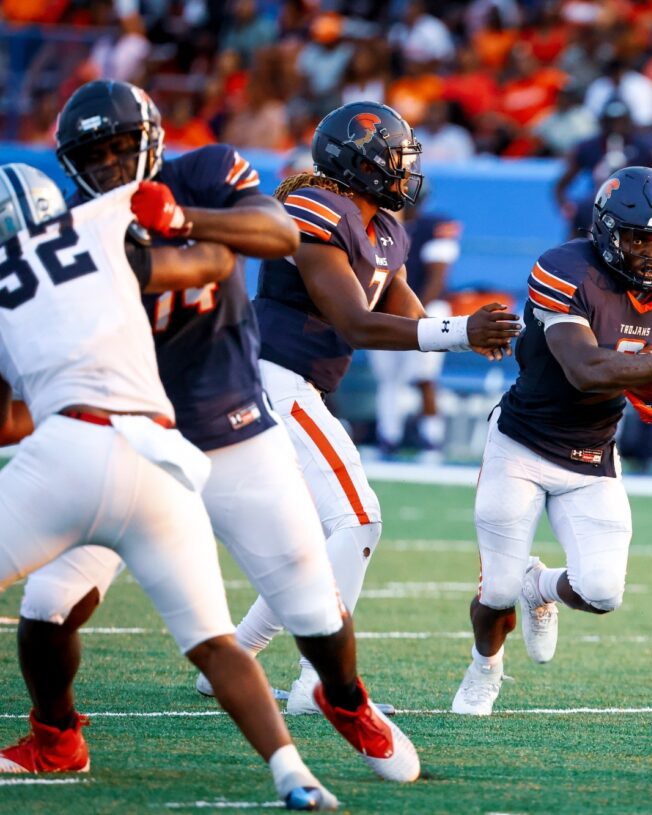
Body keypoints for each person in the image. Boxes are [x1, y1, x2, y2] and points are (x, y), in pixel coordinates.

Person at [4, 80, 420, 784]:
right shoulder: (69, 233)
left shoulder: (201, 172)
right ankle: (55, 736)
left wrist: (181, 213)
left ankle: (347, 700)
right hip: (126, 439)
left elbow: (276, 232)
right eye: (94, 155)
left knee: (312, 602)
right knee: (46, 609)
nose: (110, 165)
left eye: (120, 147)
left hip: (229, 425)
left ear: (152, 142)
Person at [0, 164, 335, 810]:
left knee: (44, 608)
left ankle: (56, 738)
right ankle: (296, 774)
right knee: (214, 640)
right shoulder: (102, 232)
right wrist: (180, 225)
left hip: (68, 449)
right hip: (161, 455)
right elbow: (211, 262)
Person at [242, 101, 520, 701]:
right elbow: (356, 323)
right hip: (273, 379)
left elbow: (411, 320)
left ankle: (234, 657)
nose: (404, 171)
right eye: (394, 159)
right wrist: (459, 331)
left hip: (297, 385)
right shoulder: (316, 212)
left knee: (315, 539)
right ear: (358, 163)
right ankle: (318, 681)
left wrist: (484, 333)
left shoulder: (385, 229)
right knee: (358, 519)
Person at [451, 166, 652, 716]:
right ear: (608, 231)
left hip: (594, 453)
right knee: (494, 591)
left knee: (603, 591)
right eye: (639, 237)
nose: (651, 252)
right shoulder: (565, 269)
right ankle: (484, 670)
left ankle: (539, 588)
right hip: (522, 444)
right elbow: (586, 369)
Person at [368, 186, 463, 460]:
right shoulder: (379, 225)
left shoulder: (434, 226)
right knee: (388, 378)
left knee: (423, 376)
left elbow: (437, 277)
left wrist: (412, 311)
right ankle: (388, 437)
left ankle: (431, 439)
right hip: (386, 310)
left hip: (427, 309)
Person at [553, 98, 652, 239]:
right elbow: (561, 185)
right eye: (611, 122)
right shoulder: (589, 147)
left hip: (638, 206)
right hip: (598, 203)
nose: (615, 127)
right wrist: (567, 207)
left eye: (620, 122)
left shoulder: (646, 147)